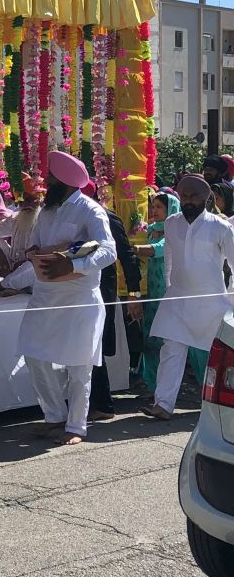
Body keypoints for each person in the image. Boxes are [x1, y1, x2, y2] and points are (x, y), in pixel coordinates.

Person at [17, 150, 116, 446]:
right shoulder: (46, 211)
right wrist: (28, 259)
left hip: (79, 297)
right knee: (33, 352)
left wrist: (73, 263)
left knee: (79, 364)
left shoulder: (90, 210)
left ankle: (76, 426)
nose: (46, 183)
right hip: (45, 295)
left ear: (65, 182)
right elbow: (36, 247)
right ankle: (55, 416)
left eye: (51, 179)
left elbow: (108, 251)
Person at [142, 174, 234, 420]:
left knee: (218, 357)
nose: (188, 201)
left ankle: (219, 408)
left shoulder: (221, 226)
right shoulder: (172, 223)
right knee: (171, 349)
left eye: (194, 196)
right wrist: (170, 289)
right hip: (178, 300)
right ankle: (163, 404)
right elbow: (169, 260)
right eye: (184, 196)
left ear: (206, 199)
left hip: (211, 303)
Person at [133, 192, 208, 396]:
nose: (154, 211)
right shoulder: (147, 231)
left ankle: (206, 388)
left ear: (171, 209)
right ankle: (153, 386)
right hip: (151, 295)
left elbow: (158, 249)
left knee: (192, 345)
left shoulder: (176, 231)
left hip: (172, 294)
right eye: (153, 206)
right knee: (152, 340)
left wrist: (136, 248)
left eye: (159, 207)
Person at [80, 181, 142, 422]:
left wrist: (133, 295)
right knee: (86, 344)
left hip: (101, 289)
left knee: (94, 344)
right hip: (79, 288)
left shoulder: (105, 216)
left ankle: (103, 404)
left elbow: (127, 257)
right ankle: (93, 402)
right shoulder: (73, 216)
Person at [0, 174, 43, 276]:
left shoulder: (45, 220)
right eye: (21, 201)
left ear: (38, 200)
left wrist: (27, 261)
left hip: (34, 272)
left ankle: (7, 285)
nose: (25, 204)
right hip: (12, 268)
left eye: (29, 199)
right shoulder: (15, 218)